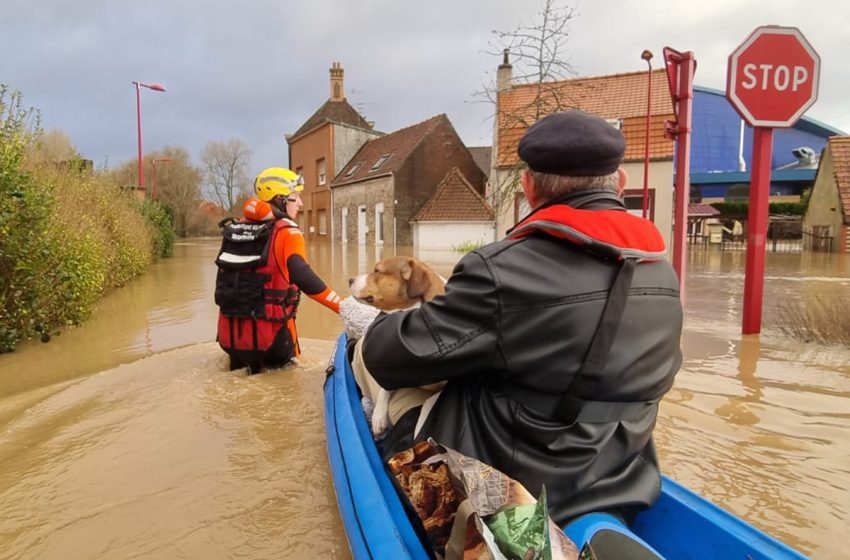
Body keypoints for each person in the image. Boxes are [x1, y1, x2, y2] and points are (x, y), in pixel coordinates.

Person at [346, 110, 683, 525]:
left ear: (529, 188)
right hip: (620, 477)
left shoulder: (500, 269)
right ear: (621, 185)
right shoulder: (664, 275)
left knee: (365, 355)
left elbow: (388, 357)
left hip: (511, 487)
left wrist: (377, 319)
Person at [215, 166, 341, 373]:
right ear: (280, 199)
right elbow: (303, 276)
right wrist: (344, 308)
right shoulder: (287, 232)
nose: (300, 203)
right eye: (295, 197)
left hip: (232, 336)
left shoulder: (235, 228)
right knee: (287, 390)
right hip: (273, 337)